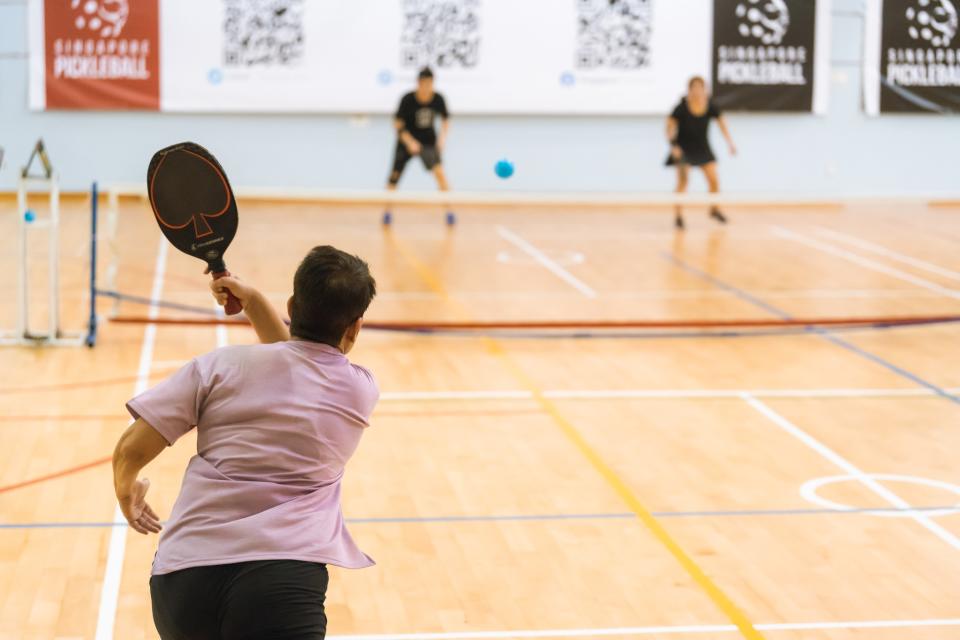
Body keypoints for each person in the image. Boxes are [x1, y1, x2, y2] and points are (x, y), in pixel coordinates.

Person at [112, 246, 379, 640]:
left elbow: (131, 449)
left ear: (293, 303)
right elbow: (296, 360)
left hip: (183, 582)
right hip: (281, 583)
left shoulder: (217, 367)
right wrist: (252, 302)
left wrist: (126, 487)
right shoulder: (359, 390)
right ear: (355, 326)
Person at [665, 76, 737, 230]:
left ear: (705, 90)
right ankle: (678, 216)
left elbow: (722, 124)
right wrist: (673, 146)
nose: (698, 91)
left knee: (714, 179)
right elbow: (669, 127)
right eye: (694, 87)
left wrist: (730, 143)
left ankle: (714, 210)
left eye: (701, 87)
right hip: (684, 149)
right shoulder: (681, 107)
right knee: (683, 182)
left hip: (703, 148)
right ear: (689, 89)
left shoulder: (710, 105)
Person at [384, 66, 453, 225]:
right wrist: (409, 142)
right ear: (419, 83)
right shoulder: (407, 99)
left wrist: (442, 140)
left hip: (428, 142)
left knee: (440, 174)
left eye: (430, 83)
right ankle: (387, 212)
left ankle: (449, 211)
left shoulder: (438, 99)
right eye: (424, 83)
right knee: (394, 177)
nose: (427, 87)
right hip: (406, 141)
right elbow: (397, 124)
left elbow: (445, 120)